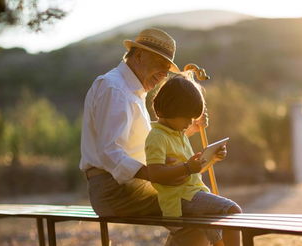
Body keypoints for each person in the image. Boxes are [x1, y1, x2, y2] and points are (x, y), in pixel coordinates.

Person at [79, 28, 212, 245]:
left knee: (195, 206)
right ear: (139, 55)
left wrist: (189, 129)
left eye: (168, 69)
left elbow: (147, 143)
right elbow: (110, 152)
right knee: (193, 206)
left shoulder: (131, 90)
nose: (163, 74)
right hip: (114, 191)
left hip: (126, 186)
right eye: (161, 64)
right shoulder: (114, 88)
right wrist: (154, 174)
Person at [146, 75, 242, 246]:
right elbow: (154, 174)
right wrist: (187, 168)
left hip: (193, 194)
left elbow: (192, 171)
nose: (190, 122)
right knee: (233, 210)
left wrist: (212, 158)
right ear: (164, 111)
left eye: (192, 117)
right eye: (186, 117)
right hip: (180, 199)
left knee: (217, 238)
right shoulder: (157, 137)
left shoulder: (178, 135)